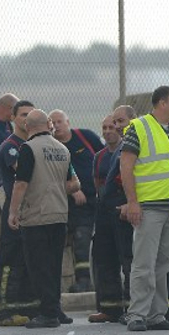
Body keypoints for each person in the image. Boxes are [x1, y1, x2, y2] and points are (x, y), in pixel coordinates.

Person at [120, 87, 169, 332]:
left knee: (164, 263)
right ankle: (137, 315)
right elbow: (126, 166)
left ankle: (156, 314)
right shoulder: (139, 127)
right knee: (143, 263)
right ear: (161, 103)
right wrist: (132, 202)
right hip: (149, 208)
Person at [7, 110, 80, 329]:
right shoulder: (62, 149)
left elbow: (21, 184)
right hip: (59, 214)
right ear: (47, 125)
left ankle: (48, 314)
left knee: (39, 266)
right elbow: (73, 183)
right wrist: (53, 188)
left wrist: (13, 211)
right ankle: (56, 309)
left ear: (28, 127)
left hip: (37, 215)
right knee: (54, 265)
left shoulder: (28, 149)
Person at [0, 100, 39, 326]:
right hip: (15, 210)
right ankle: (5, 311)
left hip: (34, 211)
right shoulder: (11, 145)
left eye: (31, 114)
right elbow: (24, 173)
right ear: (13, 118)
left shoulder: (36, 144)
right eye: (22, 114)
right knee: (10, 260)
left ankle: (28, 308)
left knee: (29, 258)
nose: (26, 118)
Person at [49, 109, 102, 293]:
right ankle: (81, 280)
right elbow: (50, 174)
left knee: (88, 240)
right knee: (75, 240)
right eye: (52, 123)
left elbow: (104, 157)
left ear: (68, 122)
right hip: (65, 203)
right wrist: (72, 190)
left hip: (93, 201)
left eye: (59, 121)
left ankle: (89, 280)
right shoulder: (51, 147)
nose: (56, 126)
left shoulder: (85, 137)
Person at [87, 115, 127, 323]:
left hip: (122, 210)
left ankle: (130, 307)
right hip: (103, 212)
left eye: (112, 126)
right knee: (104, 259)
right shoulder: (100, 156)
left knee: (127, 259)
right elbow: (96, 181)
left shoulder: (126, 151)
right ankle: (110, 307)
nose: (108, 130)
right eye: (104, 127)